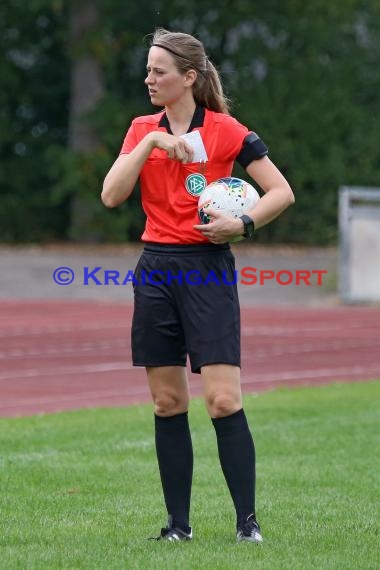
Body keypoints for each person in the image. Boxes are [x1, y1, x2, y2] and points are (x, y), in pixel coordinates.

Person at [102, 28, 295, 543]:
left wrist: (244, 223)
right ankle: (178, 528)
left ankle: (247, 526)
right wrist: (149, 142)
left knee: (223, 400)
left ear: (188, 77)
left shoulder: (228, 131)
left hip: (207, 268)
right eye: (147, 70)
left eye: (158, 71)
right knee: (168, 403)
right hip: (157, 270)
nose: (148, 78)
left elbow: (281, 192)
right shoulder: (142, 128)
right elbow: (111, 195)